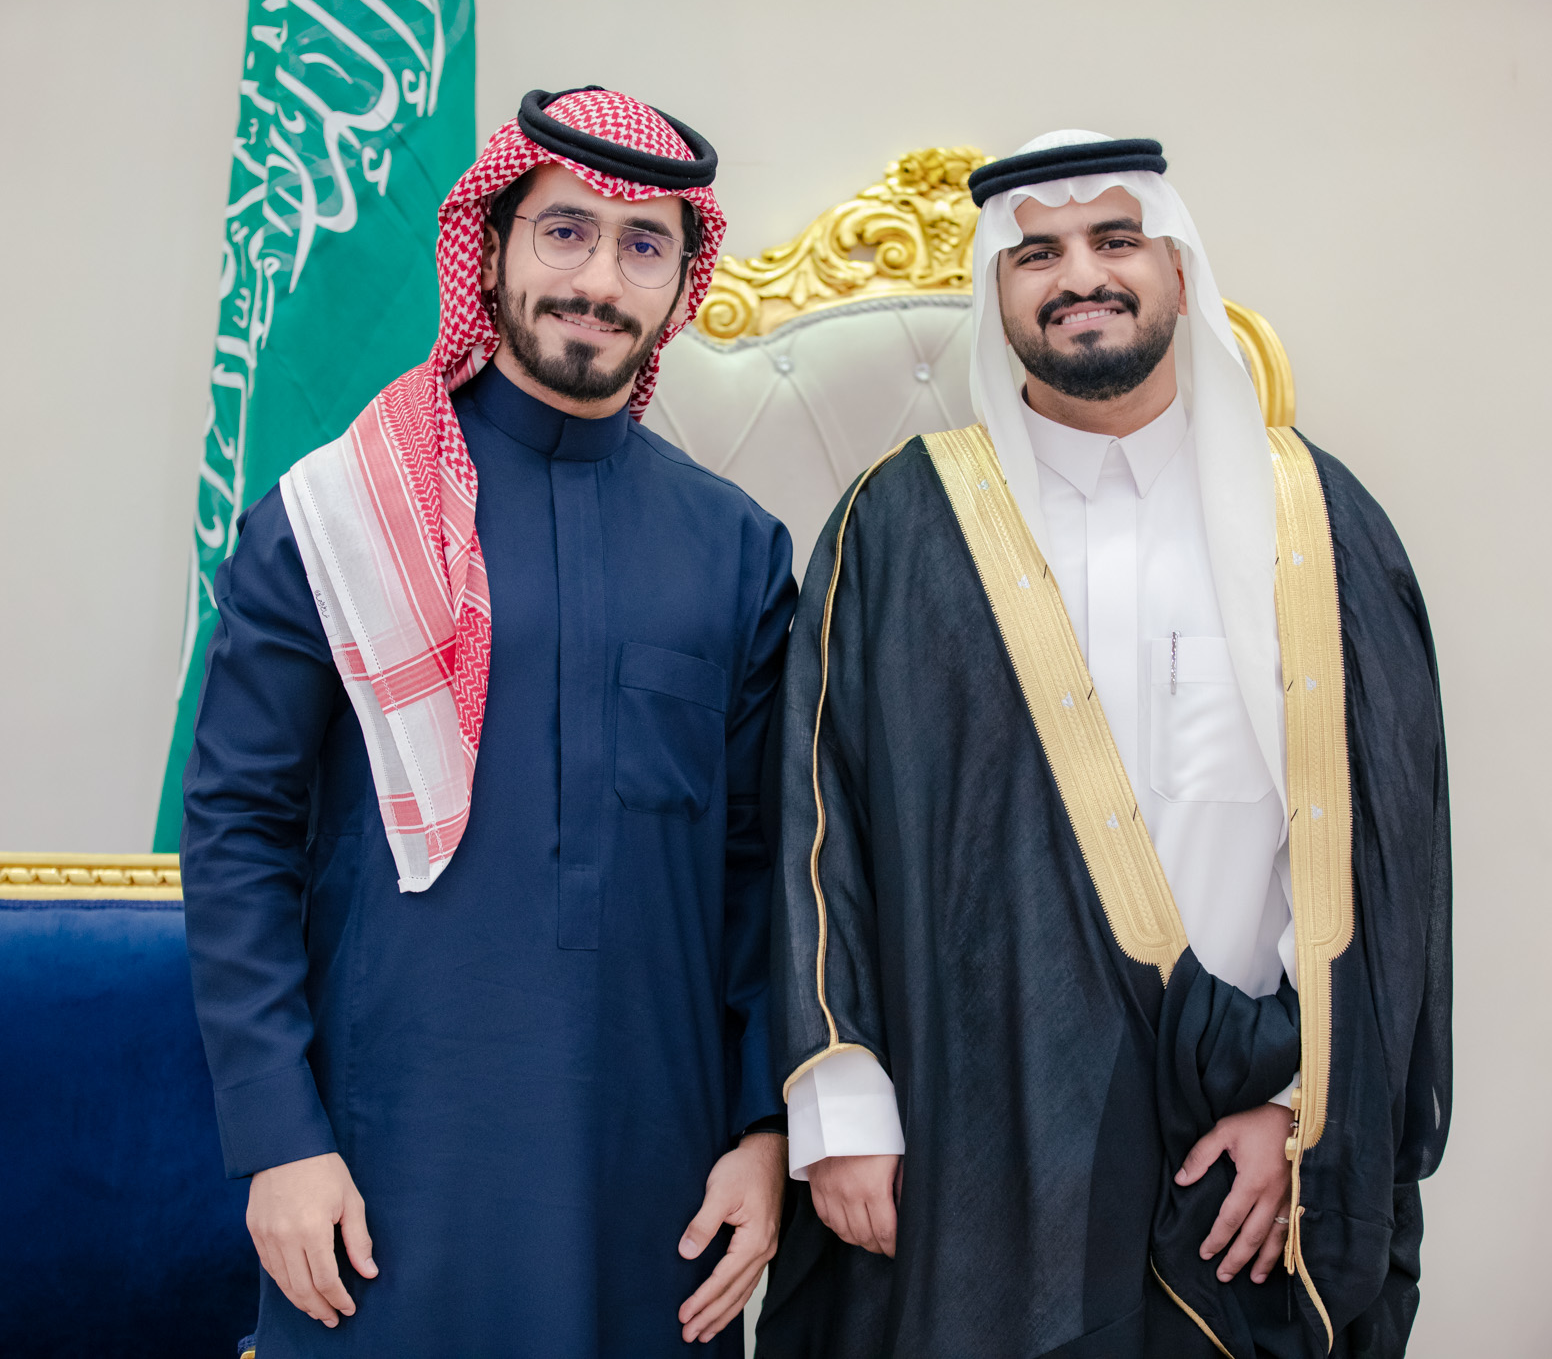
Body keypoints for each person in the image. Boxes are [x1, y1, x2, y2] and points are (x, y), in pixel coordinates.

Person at [757, 131, 1451, 1358]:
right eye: (1036, 255)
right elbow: (820, 820)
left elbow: (1391, 850)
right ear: (996, 291)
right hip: (970, 1125)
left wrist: (1302, 1107)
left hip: (1236, 1134)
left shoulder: (1317, 521)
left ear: (1176, 268)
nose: (1079, 275)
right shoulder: (901, 523)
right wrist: (843, 1105)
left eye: (1114, 239)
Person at [182, 87, 795, 1358]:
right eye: (564, 232)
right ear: (493, 247)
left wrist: (762, 1133)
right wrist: (277, 1139)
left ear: (680, 283)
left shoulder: (737, 551)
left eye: (642, 246)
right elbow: (239, 832)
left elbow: (763, 871)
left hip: (656, 1179)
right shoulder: (339, 518)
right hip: (381, 1168)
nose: (598, 281)